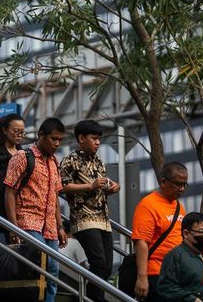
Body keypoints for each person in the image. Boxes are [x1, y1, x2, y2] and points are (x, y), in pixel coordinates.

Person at [3, 117, 69, 302]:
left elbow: (54, 195)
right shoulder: (23, 157)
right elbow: (10, 192)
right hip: (27, 220)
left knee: (53, 270)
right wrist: (13, 227)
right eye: (53, 139)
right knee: (38, 266)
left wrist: (60, 226)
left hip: (49, 227)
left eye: (59, 140)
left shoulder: (54, 161)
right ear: (41, 135)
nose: (56, 143)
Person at [60, 119, 121, 302]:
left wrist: (111, 188)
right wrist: (90, 185)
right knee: (98, 263)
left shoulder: (99, 162)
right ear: (81, 138)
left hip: (103, 219)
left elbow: (98, 188)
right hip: (83, 218)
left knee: (107, 267)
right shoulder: (70, 160)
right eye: (94, 138)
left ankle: (88, 295)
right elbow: (62, 187)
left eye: (99, 139)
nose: (97, 143)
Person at [131, 162, 188, 301]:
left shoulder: (179, 207)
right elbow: (141, 242)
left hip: (177, 275)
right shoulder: (148, 204)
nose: (182, 189)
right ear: (163, 181)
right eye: (178, 184)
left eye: (185, 185)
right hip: (156, 273)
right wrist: (142, 277)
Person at [157, 212, 203, 302]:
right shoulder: (175, 256)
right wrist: (192, 299)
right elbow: (165, 287)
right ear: (186, 233)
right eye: (201, 231)